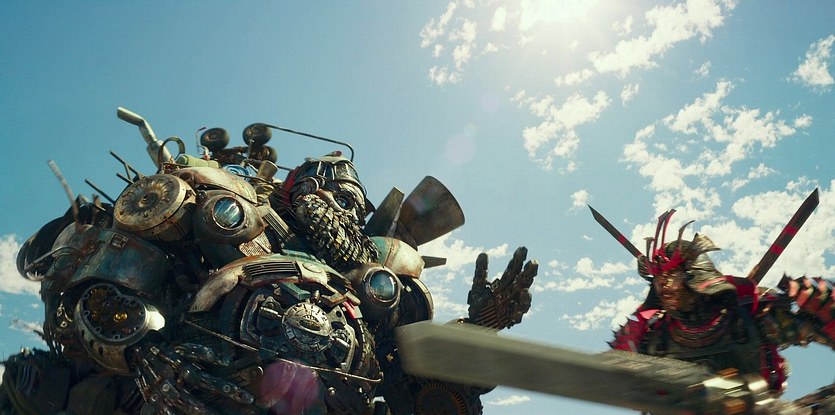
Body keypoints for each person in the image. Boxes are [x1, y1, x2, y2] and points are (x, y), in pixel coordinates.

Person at [603, 209, 834, 397]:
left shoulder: (752, 320)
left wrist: (818, 302)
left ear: (695, 275)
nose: (663, 284)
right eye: (659, 278)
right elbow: (617, 380)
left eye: (671, 275)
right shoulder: (652, 337)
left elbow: (817, 329)